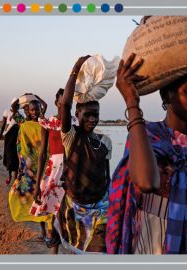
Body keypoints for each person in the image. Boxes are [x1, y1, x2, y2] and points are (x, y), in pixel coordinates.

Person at [106, 53, 187, 254]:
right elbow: (147, 182)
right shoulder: (147, 135)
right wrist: (131, 102)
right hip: (150, 238)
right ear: (167, 97)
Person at [57, 56, 112, 253]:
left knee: (100, 249)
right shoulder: (71, 137)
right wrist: (76, 69)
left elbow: (106, 173)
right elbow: (64, 105)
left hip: (102, 205)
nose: (91, 119)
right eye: (86, 114)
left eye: (95, 114)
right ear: (77, 115)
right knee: (78, 248)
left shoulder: (105, 142)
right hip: (77, 206)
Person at [8, 99, 52, 241]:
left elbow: (45, 106)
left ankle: (47, 234)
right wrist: (17, 103)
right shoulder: (24, 124)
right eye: (30, 110)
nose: (33, 112)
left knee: (43, 198)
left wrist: (38, 98)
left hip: (42, 167)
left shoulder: (44, 123)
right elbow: (14, 111)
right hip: (29, 168)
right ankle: (44, 232)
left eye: (36, 109)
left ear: (40, 109)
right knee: (22, 195)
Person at [30, 88, 66, 254]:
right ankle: (54, 254)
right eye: (61, 103)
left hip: (69, 169)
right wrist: (37, 184)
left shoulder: (75, 121)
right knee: (53, 212)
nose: (64, 106)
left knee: (67, 212)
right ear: (56, 103)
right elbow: (42, 153)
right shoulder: (48, 122)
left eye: (67, 103)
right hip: (53, 170)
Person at [0, 97, 24, 185]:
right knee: (9, 156)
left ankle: (15, 179)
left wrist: (17, 116)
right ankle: (9, 175)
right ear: (12, 105)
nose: (17, 106)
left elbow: (22, 127)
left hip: (16, 138)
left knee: (16, 157)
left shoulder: (19, 114)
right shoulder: (7, 112)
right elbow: (3, 125)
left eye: (18, 105)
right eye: (15, 104)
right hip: (8, 138)